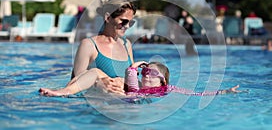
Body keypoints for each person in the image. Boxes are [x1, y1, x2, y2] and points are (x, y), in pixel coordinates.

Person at [39, 61, 242, 97]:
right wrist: (136, 67)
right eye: (144, 73)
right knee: (94, 72)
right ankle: (63, 92)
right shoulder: (139, 86)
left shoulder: (167, 90)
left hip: (129, 102)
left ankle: (64, 93)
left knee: (100, 83)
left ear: (163, 81)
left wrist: (223, 92)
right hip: (129, 97)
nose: (146, 76)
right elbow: (133, 84)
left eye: (151, 74)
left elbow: (197, 94)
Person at [71, 0, 137, 94]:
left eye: (130, 22)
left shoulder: (126, 44)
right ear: (108, 17)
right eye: (124, 21)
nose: (127, 26)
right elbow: (74, 86)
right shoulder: (89, 45)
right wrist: (98, 84)